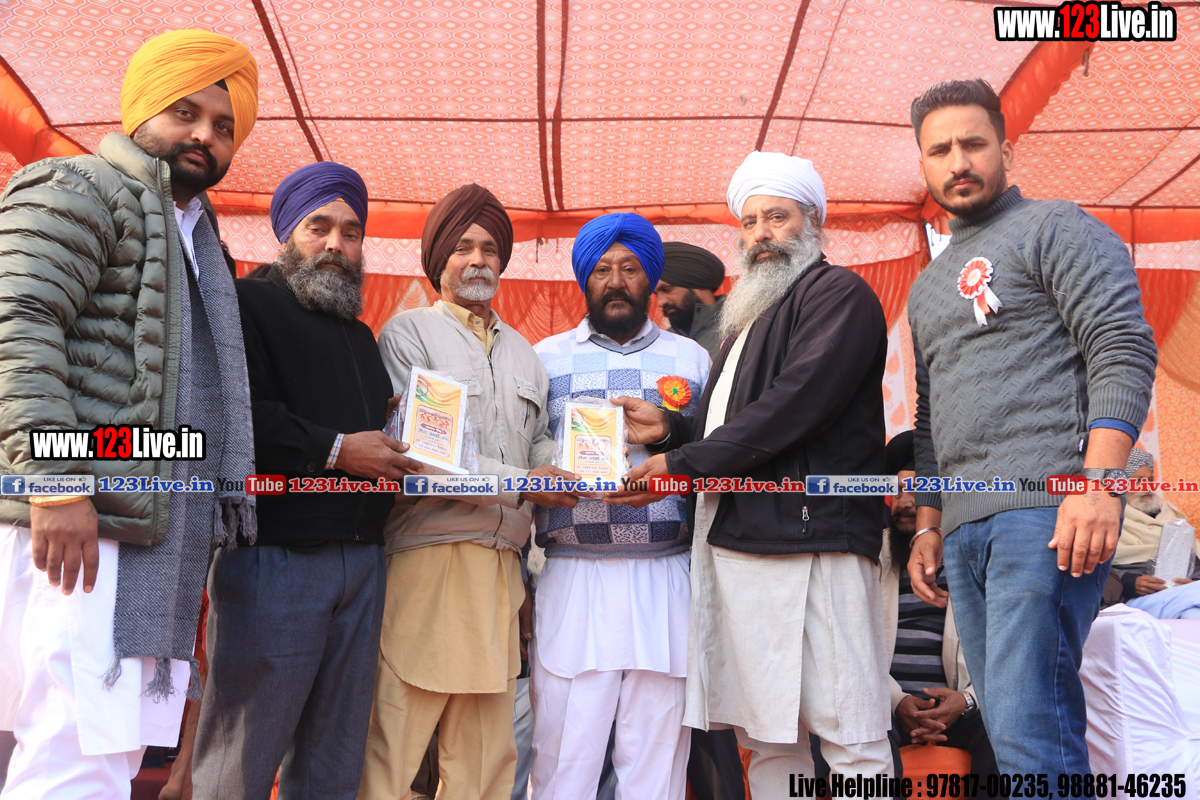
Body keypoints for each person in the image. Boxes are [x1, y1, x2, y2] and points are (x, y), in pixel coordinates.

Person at [0, 30, 259, 797]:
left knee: (99, 753)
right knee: (80, 753)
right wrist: (56, 487)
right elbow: (18, 325)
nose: (204, 135)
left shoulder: (199, 241)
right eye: (186, 112)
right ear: (142, 108)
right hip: (84, 519)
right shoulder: (81, 186)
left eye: (223, 126)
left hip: (149, 528)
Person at [609, 150, 893, 796]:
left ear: (813, 221)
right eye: (750, 221)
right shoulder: (746, 317)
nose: (761, 233)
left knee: (850, 734)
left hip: (816, 543)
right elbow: (736, 426)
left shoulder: (839, 295)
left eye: (777, 217)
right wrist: (672, 430)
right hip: (743, 545)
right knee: (768, 739)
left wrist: (679, 463)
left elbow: (795, 405)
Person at [905, 79, 1157, 779]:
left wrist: (1099, 484)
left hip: (1047, 513)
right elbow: (930, 417)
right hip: (964, 530)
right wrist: (928, 525)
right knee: (1014, 736)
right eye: (940, 150)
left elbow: (1121, 346)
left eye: (973, 144)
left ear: (1007, 151)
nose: (958, 161)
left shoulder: (1056, 227)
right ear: (923, 164)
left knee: (1030, 735)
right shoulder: (926, 288)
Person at [191, 162, 418, 799]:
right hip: (275, 562)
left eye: (351, 232)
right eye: (319, 227)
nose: (336, 245)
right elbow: (233, 415)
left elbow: (367, 434)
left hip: (363, 565)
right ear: (287, 233)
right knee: (239, 763)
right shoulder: (246, 304)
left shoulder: (361, 336)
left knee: (332, 768)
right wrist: (338, 450)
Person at [358, 183, 582, 800]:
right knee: (392, 750)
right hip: (429, 561)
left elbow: (537, 444)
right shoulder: (409, 335)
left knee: (485, 761)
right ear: (438, 260)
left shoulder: (526, 356)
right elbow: (427, 454)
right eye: (461, 248)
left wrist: (572, 469)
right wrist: (526, 484)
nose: (477, 260)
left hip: (502, 569)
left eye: (488, 248)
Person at [529, 213, 709, 800]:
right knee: (564, 762)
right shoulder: (545, 358)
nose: (615, 281)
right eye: (602, 269)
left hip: (666, 576)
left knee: (656, 766)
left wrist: (670, 434)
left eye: (629, 268)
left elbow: (715, 453)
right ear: (585, 278)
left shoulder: (692, 360)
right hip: (574, 578)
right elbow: (525, 453)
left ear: (649, 279)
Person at [881, 432, 1000, 788]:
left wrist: (966, 701)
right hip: (885, 706)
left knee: (1007, 731)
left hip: (961, 709)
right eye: (897, 492)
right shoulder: (871, 555)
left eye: (918, 492)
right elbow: (849, 645)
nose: (905, 503)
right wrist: (898, 701)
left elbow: (1006, 648)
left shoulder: (977, 553)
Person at [1103, 447, 1196, 606]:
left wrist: (1194, 583)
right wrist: (1130, 582)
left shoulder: (1170, 514)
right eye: (1138, 481)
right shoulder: (1105, 518)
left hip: (1184, 594)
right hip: (1131, 599)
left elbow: (1195, 561)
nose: (1146, 487)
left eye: (1150, 480)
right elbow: (1090, 570)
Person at [654, 242, 727, 361]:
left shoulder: (740, 331)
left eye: (667, 289)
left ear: (697, 282)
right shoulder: (662, 343)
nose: (660, 302)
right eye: (656, 294)